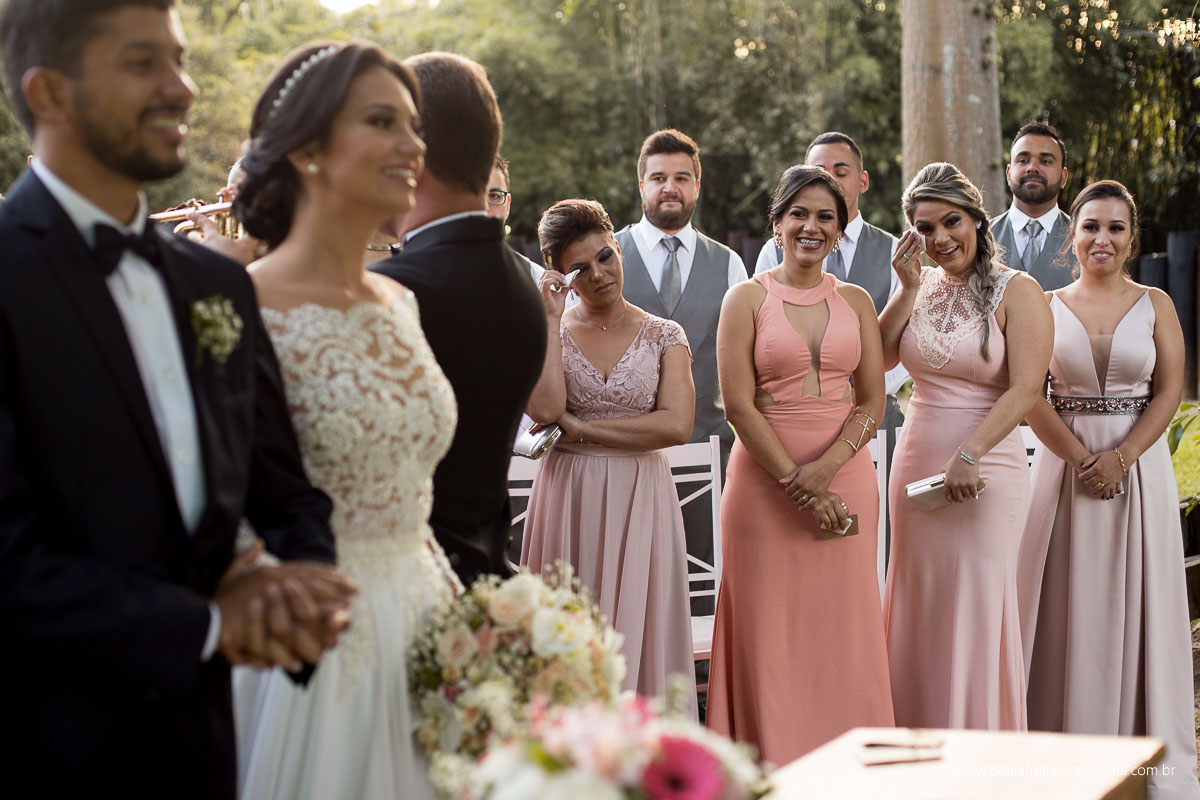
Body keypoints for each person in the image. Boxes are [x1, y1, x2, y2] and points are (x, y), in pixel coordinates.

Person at [0, 4, 354, 799]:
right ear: (50, 93)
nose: (184, 88)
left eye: (181, 59)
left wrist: (300, 588)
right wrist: (207, 625)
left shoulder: (216, 285)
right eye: (142, 64)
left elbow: (286, 489)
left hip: (203, 750)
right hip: (42, 753)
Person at [228, 42, 460, 800]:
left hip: (433, 620)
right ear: (307, 148)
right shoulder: (237, 306)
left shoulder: (403, 303)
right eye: (382, 121)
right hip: (317, 641)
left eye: (415, 126)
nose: (414, 146)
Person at [1017, 181, 1200, 800]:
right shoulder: (1041, 303)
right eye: (1091, 226)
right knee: (1063, 598)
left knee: (1141, 599)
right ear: (1073, 236)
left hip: (1138, 471)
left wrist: (1120, 457)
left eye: (1116, 228)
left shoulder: (1157, 303)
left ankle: (1147, 761)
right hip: (1063, 472)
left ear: (1132, 238)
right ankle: (1062, 752)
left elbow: (1170, 391)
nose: (1103, 238)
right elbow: (1028, 392)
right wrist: (1080, 460)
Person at [706, 166, 893, 762]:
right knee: (770, 633)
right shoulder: (746, 299)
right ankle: (771, 763)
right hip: (764, 489)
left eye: (826, 217)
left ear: (840, 230)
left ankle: (850, 761)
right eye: (800, 215)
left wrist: (832, 465)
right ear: (778, 222)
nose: (812, 227)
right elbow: (737, 404)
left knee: (845, 627)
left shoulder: (858, 301)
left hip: (849, 480)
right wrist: (799, 482)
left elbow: (872, 400)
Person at [880, 162, 1053, 731]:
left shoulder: (1018, 290)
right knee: (919, 602)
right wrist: (904, 288)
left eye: (950, 222)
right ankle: (916, 740)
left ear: (977, 219)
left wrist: (970, 453)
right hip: (917, 458)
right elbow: (878, 360)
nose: (940, 239)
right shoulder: (918, 286)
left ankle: (981, 744)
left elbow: (1027, 388)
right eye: (925, 229)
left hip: (989, 464)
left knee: (978, 598)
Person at [372, 52, 546, 586]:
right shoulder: (526, 287)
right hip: (484, 576)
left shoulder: (396, 291)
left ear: (414, 153)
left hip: (405, 583)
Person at [521, 198, 697, 712]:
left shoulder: (666, 334)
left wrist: (578, 429)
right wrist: (550, 320)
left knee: (641, 635)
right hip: (568, 499)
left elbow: (675, 425)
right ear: (560, 276)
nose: (598, 274)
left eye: (605, 257)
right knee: (569, 640)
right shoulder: (549, 328)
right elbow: (547, 406)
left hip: (642, 497)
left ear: (619, 248)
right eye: (580, 268)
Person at [617, 129, 746, 452]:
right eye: (659, 177)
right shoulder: (606, 258)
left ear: (697, 187)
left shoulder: (729, 264)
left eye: (682, 178)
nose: (670, 188)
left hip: (710, 451)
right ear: (642, 185)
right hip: (624, 450)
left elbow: (748, 365)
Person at [990, 121, 1077, 291]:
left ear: (1064, 177)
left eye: (1045, 161)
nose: (1032, 168)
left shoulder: (1083, 238)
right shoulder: (981, 238)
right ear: (1008, 174)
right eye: (1023, 160)